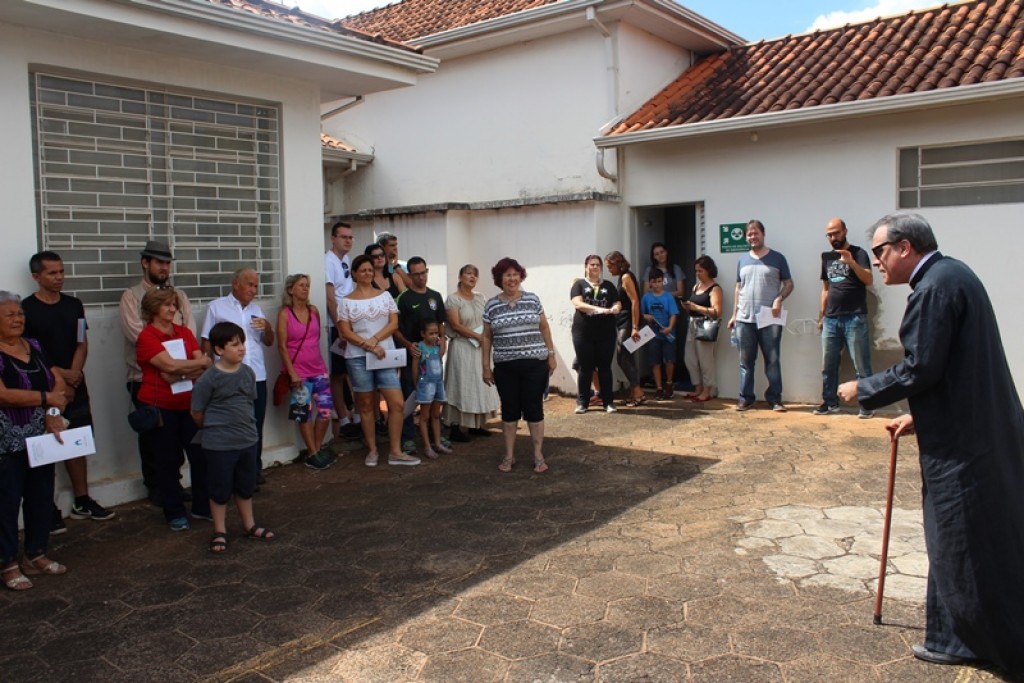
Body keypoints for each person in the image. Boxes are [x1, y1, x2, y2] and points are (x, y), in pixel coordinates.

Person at [838, 212, 1024, 676]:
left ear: (905, 247)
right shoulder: (949, 275)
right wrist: (917, 416)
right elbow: (954, 368)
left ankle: (987, 639)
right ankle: (952, 636)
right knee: (952, 538)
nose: (876, 263)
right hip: (973, 429)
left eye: (880, 252)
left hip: (966, 448)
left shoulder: (936, 288)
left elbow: (922, 367)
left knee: (963, 539)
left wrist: (863, 388)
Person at [23, 251, 114, 531]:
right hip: (44, 388)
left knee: (77, 441)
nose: (59, 277)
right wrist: (59, 377)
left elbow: (81, 342)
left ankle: (81, 499)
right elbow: (29, 351)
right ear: (36, 277)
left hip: (76, 385)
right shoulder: (26, 309)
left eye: (61, 272)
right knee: (45, 447)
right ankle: (46, 507)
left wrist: (73, 376)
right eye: (52, 273)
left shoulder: (74, 305)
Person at [119, 240, 197, 506]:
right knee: (154, 441)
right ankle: (156, 487)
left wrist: (182, 367)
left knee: (181, 438)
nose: (164, 268)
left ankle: (173, 486)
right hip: (145, 378)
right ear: (145, 263)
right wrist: (166, 363)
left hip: (183, 378)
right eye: (159, 262)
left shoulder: (180, 296)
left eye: (167, 263)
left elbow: (190, 333)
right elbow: (138, 335)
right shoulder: (131, 296)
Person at [0, 291, 69, 591]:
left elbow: (59, 383)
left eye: (20, 314)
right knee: (6, 500)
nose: (18, 319)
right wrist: (46, 398)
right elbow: (2, 394)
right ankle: (7, 562)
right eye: (10, 315)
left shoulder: (35, 346)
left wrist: (53, 410)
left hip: (41, 436)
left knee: (41, 494)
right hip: (6, 440)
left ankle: (36, 553)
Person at [191, 322, 274, 553]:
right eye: (234, 344)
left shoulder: (248, 373)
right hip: (219, 444)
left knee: (245, 486)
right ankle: (220, 531)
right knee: (219, 488)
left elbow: (250, 402)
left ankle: (249, 525)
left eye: (242, 343)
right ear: (219, 349)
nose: (241, 349)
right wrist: (215, 429)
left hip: (247, 440)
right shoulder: (209, 378)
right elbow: (197, 412)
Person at [135, 287, 212, 531]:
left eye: (174, 305)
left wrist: (179, 372)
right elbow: (167, 364)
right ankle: (174, 511)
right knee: (167, 460)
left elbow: (205, 364)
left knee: (200, 455)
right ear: (153, 308)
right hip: (160, 406)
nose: (172, 309)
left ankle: (202, 506)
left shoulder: (184, 332)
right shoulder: (147, 337)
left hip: (189, 404)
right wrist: (192, 365)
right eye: (166, 305)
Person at [338, 255, 420, 467]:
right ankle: (372, 450)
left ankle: (395, 451)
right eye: (362, 270)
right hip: (358, 357)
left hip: (384, 355)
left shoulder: (384, 297)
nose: (367, 273)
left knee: (397, 403)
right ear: (354, 274)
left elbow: (393, 324)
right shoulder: (346, 301)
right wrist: (369, 346)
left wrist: (374, 341)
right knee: (365, 405)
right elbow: (345, 331)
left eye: (369, 270)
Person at [481, 257, 556, 474]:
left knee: (534, 408)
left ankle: (538, 455)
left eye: (515, 274)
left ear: (520, 276)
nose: (512, 279)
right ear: (500, 279)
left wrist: (551, 354)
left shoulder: (532, 299)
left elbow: (544, 327)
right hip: (505, 367)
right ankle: (509, 455)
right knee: (510, 410)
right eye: (507, 275)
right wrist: (486, 366)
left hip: (535, 364)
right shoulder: (492, 305)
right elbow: (486, 337)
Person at [200, 268, 274, 478]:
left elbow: (269, 342)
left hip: (256, 375)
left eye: (256, 286)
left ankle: (253, 471)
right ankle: (231, 473)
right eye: (249, 284)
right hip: (227, 377)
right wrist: (207, 372)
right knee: (232, 423)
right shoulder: (216, 307)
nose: (253, 290)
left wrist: (268, 327)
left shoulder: (257, 309)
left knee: (256, 424)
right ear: (236, 284)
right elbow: (206, 341)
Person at [726, 219, 793, 412]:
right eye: (749, 234)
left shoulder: (778, 258)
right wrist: (733, 314)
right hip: (744, 318)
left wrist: (779, 298)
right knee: (745, 362)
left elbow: (789, 284)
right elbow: (738, 288)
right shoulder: (742, 260)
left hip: (769, 318)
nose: (752, 237)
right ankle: (745, 398)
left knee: (772, 360)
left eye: (756, 233)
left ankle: (775, 399)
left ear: (763, 234)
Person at [814, 217, 874, 418]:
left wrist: (851, 263)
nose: (833, 237)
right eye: (829, 234)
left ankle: (867, 404)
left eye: (836, 233)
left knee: (861, 364)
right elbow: (825, 289)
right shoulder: (826, 258)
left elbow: (868, 279)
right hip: (831, 318)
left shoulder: (858, 253)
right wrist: (821, 316)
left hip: (854, 317)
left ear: (845, 231)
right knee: (828, 365)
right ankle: (830, 402)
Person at [275, 274, 334, 470]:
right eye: (301, 285)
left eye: (307, 285)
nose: (305, 288)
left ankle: (314, 450)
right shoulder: (285, 314)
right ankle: (313, 452)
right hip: (298, 372)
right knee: (304, 413)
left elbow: (316, 340)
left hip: (318, 369)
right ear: (291, 289)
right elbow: (282, 346)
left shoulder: (313, 311)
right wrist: (292, 373)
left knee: (325, 410)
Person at [393, 257, 447, 455]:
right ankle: (408, 438)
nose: (421, 277)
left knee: (436, 398)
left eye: (423, 272)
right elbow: (395, 328)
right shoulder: (404, 298)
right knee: (411, 395)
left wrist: (443, 341)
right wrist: (408, 345)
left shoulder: (435, 296)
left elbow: (441, 323)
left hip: (433, 358)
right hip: (413, 358)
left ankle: (437, 437)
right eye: (416, 274)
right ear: (409, 275)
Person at [444, 265, 499, 441]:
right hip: (462, 347)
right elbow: (455, 325)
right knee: (461, 384)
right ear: (460, 277)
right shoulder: (453, 300)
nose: (472, 277)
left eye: (475, 275)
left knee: (478, 385)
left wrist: (486, 337)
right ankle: (455, 426)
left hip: (479, 348)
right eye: (468, 274)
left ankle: (476, 424)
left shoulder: (480, 298)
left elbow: (487, 320)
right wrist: (477, 336)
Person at [569, 255, 620, 414]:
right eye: (592, 265)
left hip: (606, 334)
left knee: (605, 367)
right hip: (583, 333)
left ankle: (608, 402)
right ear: (586, 267)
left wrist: (616, 308)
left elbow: (617, 302)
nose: (595, 267)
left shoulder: (609, 286)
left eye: (597, 265)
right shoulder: (579, 285)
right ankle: (583, 402)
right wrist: (599, 310)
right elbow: (577, 303)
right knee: (585, 368)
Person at [325, 221, 360, 440]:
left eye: (350, 237)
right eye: (343, 236)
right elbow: (330, 297)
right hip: (336, 324)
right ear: (333, 238)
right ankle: (344, 419)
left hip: (350, 321)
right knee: (337, 374)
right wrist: (341, 327)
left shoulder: (346, 260)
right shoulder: (328, 261)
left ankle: (355, 415)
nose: (347, 240)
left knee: (351, 370)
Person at [680, 255, 722, 403]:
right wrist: (687, 307)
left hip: (705, 325)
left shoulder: (715, 289)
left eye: (701, 271)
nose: (698, 274)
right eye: (696, 271)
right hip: (692, 323)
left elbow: (717, 312)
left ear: (709, 270)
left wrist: (696, 307)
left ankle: (707, 390)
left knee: (705, 360)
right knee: (690, 358)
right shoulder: (696, 286)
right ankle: (697, 387)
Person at [604, 251, 643, 407]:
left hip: (627, 322)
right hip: (622, 321)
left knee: (623, 357)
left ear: (617, 263)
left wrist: (634, 326)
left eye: (610, 266)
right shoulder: (623, 277)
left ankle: (638, 392)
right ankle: (635, 392)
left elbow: (635, 301)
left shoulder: (626, 277)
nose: (609, 270)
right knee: (628, 358)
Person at [640, 268, 679, 400]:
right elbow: (641, 313)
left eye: (659, 281)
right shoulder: (646, 298)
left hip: (668, 334)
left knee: (669, 360)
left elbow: (674, 313)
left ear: (663, 281)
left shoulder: (668, 296)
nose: (657, 284)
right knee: (655, 362)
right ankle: (659, 388)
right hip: (652, 334)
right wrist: (646, 316)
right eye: (654, 282)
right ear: (650, 282)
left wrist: (670, 327)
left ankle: (668, 384)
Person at [414, 321, 451, 460]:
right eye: (431, 333)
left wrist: (443, 340)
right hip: (425, 384)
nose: (434, 336)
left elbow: (442, 353)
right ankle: (427, 446)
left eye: (436, 333)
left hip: (438, 384)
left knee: (436, 415)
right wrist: (416, 383)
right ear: (423, 334)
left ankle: (437, 443)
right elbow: (415, 367)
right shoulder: (420, 347)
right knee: (424, 416)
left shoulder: (437, 347)